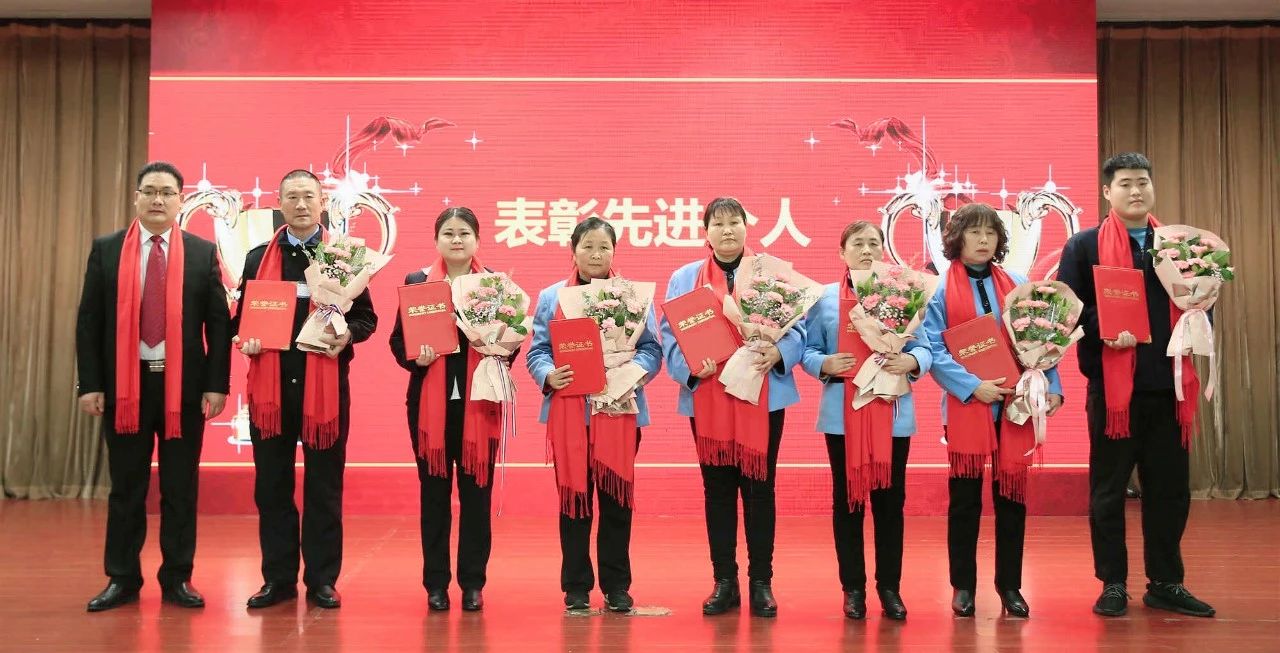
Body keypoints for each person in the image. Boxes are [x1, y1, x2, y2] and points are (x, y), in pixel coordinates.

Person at [1056, 152, 1215, 618]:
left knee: (1170, 491)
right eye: (1125, 183)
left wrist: (1201, 312)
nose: (1136, 190)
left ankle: (1166, 582)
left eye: (1143, 181)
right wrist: (1103, 326)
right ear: (1108, 192)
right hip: (1114, 393)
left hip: (1170, 388)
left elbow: (1202, 302)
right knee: (1108, 492)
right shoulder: (1084, 246)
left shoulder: (1182, 247)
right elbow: (1065, 309)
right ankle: (1113, 583)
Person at [76, 161, 231, 611]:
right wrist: (90, 384)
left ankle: (178, 577)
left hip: (184, 389)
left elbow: (218, 326)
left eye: (167, 192)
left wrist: (216, 385)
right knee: (127, 487)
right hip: (125, 388)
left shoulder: (202, 253)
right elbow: (89, 321)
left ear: (181, 200)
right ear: (136, 198)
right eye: (150, 191)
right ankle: (122, 578)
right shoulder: (107, 250)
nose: (158, 199)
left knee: (180, 488)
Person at [234, 169, 378, 609]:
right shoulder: (257, 258)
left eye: (308, 196)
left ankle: (322, 580)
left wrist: (346, 337)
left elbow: (366, 319)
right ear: (280, 203)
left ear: (322, 203)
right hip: (271, 393)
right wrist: (246, 338)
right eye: (292, 197)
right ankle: (277, 580)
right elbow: (241, 318)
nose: (300, 204)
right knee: (272, 488)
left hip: (325, 391)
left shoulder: (345, 256)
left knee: (324, 488)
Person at [659, 197, 806, 618]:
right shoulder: (684, 278)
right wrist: (690, 366)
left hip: (764, 394)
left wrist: (781, 353)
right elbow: (669, 334)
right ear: (706, 232)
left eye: (734, 222)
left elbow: (799, 328)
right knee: (718, 490)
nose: (727, 230)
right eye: (718, 223)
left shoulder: (772, 273)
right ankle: (724, 581)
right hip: (708, 395)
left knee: (760, 489)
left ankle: (761, 582)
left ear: (746, 227)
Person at [920, 203, 1063, 618]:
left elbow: (1043, 340)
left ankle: (1010, 586)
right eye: (974, 232)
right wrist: (972, 387)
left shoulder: (1018, 282)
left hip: (1016, 405)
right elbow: (934, 350)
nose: (983, 240)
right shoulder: (939, 289)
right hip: (968, 405)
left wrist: (1052, 386)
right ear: (956, 238)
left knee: (1011, 499)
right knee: (964, 501)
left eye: (991, 233)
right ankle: (963, 586)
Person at [526, 217, 663, 612]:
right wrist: (548, 374)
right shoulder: (551, 297)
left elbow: (652, 349)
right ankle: (576, 586)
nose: (596, 254)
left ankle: (616, 586)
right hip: (570, 413)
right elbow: (538, 350)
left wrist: (630, 373)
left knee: (616, 501)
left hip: (619, 411)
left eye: (604, 246)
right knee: (574, 500)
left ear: (614, 251)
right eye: (587, 246)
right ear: (573, 250)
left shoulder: (632, 297)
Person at [800, 220, 932, 620]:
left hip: (892, 413)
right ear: (842, 253)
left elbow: (926, 348)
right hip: (842, 415)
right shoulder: (824, 298)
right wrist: (823, 363)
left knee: (890, 504)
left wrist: (912, 361)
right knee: (848, 503)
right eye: (857, 243)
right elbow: (806, 350)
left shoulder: (904, 292)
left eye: (874, 243)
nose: (867, 250)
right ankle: (853, 589)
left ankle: (890, 588)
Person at [388, 207, 508, 612]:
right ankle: (435, 584)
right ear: (436, 240)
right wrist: (415, 357)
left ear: (477, 240)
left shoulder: (494, 284)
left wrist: (498, 347)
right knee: (434, 497)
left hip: (480, 403)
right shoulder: (417, 282)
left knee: (477, 497)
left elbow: (513, 342)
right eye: (449, 233)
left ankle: (473, 583)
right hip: (429, 407)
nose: (457, 240)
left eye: (464, 233)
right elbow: (397, 341)